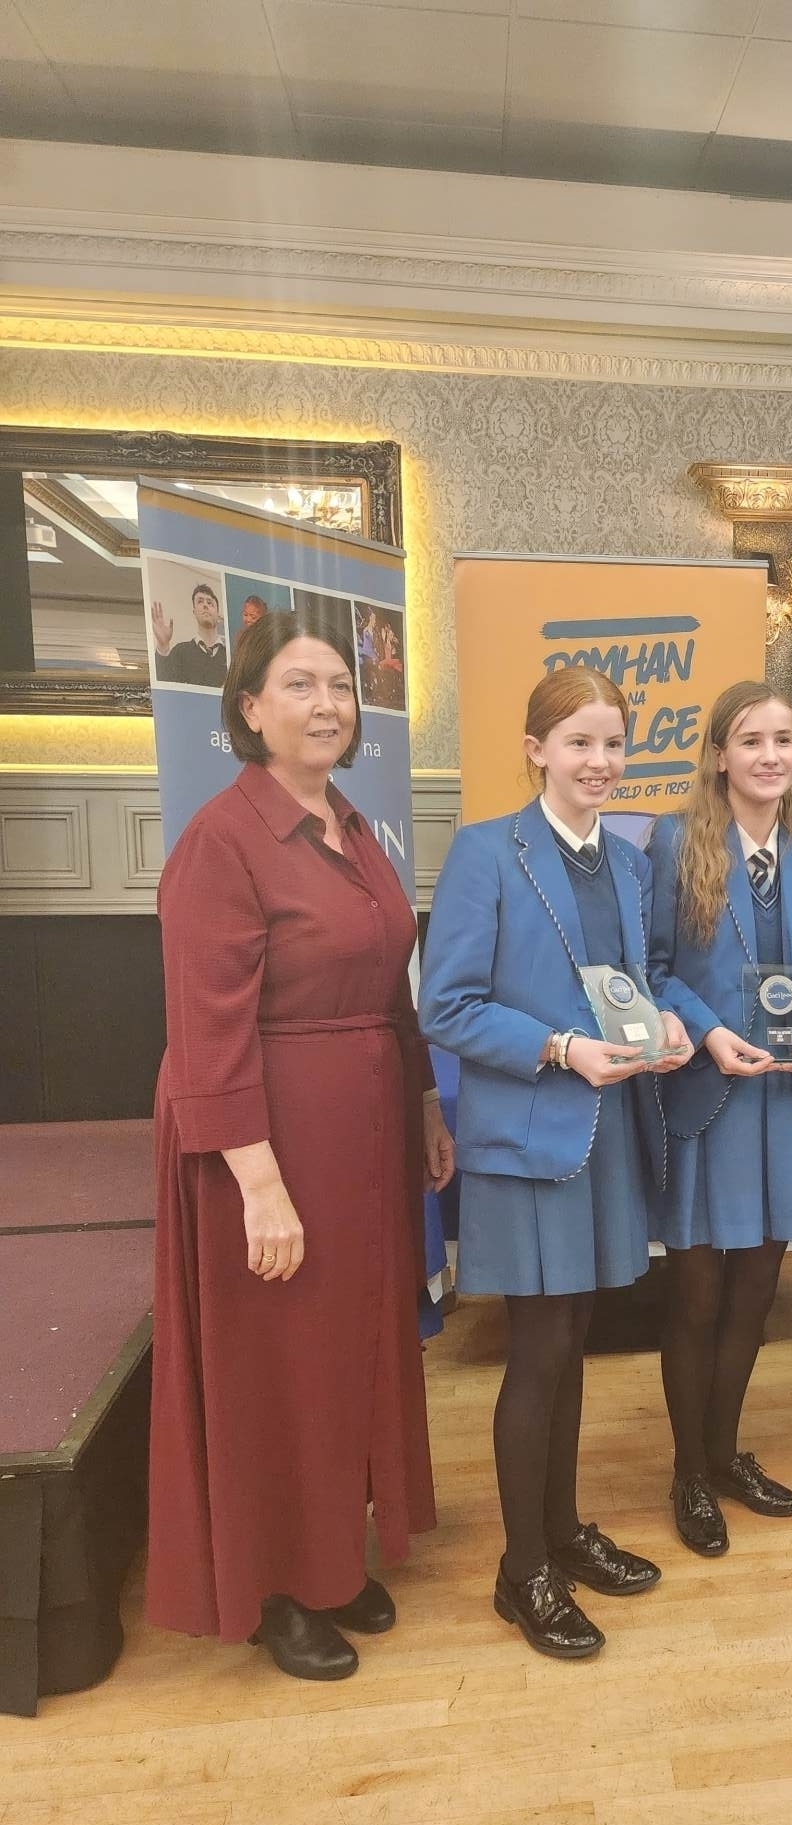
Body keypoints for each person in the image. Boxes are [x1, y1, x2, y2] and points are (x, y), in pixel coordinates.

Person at [148, 610, 454, 1681]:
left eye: (339, 685)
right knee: (276, 1362)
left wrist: (425, 1103)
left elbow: (391, 989)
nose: (328, 704)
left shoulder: (354, 828)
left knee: (349, 1347)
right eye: (298, 685)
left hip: (363, 1128)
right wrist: (260, 1185)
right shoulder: (221, 841)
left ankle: (331, 1554)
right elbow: (206, 1030)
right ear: (249, 708)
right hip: (267, 1139)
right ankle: (275, 1586)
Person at [420, 667, 693, 1660]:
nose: (600, 762)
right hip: (532, 1139)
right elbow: (446, 1007)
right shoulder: (487, 851)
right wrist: (558, 1047)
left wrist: (662, 1025)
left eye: (614, 743)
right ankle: (522, 1568)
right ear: (536, 749)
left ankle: (564, 1531)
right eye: (580, 742)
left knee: (574, 1341)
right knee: (538, 1352)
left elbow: (634, 983)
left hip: (606, 1134)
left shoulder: (628, 863)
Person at [647, 681, 792, 1556]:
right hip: (708, 1096)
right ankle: (688, 1470)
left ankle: (725, 1453)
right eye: (752, 740)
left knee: (758, 1293)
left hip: (782, 1099)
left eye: (784, 739)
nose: (771, 755)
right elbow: (652, 969)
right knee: (697, 1299)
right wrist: (709, 1033)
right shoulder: (675, 841)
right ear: (720, 754)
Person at [151, 581, 228, 688]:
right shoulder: (180, 652)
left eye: (210, 603)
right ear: (194, 612)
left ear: (218, 614)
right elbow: (164, 687)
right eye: (200, 602)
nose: (205, 605)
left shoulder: (230, 656)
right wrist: (162, 646)